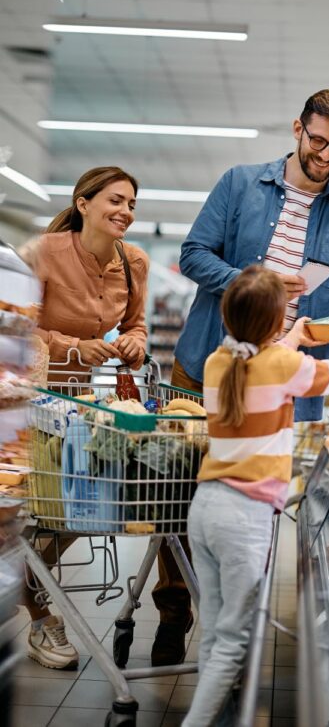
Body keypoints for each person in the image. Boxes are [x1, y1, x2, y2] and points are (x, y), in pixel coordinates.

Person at [157, 89, 329, 655]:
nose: (326, 155)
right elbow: (195, 254)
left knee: (253, 503)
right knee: (178, 497)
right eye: (319, 140)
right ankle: (173, 609)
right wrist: (259, 284)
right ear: (297, 128)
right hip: (208, 366)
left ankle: (234, 628)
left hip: (286, 382)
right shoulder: (239, 184)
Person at [182, 266, 329, 727]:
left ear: (228, 318)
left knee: (214, 631)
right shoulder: (280, 366)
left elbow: (264, 357)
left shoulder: (218, 362)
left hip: (205, 508)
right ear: (271, 324)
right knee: (234, 640)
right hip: (243, 517)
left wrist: (292, 335)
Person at [19, 166, 149, 670]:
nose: (125, 211)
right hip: (24, 393)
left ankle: (28, 592)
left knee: (67, 510)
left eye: (132, 204)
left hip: (74, 404)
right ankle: (40, 618)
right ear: (83, 203)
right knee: (29, 512)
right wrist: (76, 345)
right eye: (115, 200)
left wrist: (134, 341)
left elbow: (134, 324)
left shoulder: (133, 261)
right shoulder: (44, 253)